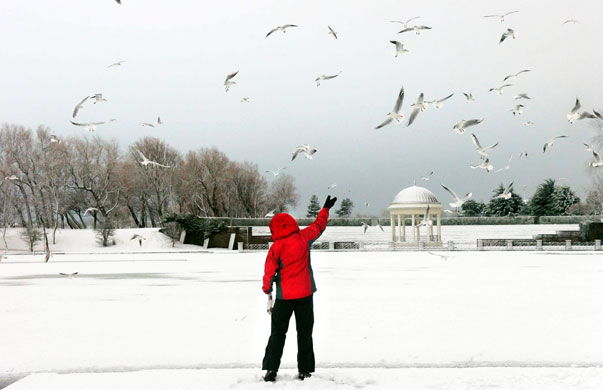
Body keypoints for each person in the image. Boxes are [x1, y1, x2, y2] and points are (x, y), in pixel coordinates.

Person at [261, 195, 337, 382]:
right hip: (305, 295)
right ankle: (305, 370)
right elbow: (318, 226)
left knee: (278, 333)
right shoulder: (303, 238)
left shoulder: (276, 247)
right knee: (304, 333)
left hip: (284, 298)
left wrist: (267, 289)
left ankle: (271, 369)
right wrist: (325, 209)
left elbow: (269, 272)